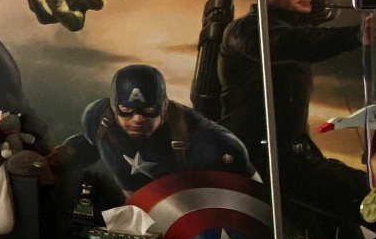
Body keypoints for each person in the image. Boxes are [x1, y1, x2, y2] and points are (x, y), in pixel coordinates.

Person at [218, 0, 376, 239]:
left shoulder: (295, 31)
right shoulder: (245, 30)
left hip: (294, 156)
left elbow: (304, 39)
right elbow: (292, 43)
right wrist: (359, 35)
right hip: (264, 162)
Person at [49, 63, 254, 197]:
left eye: (148, 110)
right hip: (137, 215)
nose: (137, 119)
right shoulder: (99, 119)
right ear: (113, 106)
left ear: (164, 106)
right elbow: (91, 145)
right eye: (126, 110)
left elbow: (248, 202)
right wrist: (57, 160)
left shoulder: (210, 144)